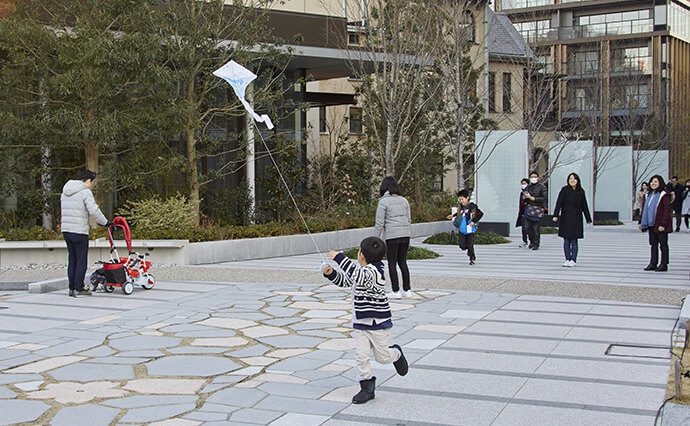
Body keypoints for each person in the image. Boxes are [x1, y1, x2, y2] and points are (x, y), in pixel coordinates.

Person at [321, 236, 408, 404]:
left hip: (379, 324)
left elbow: (357, 275)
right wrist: (331, 273)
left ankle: (396, 354)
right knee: (361, 356)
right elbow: (347, 280)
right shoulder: (362, 273)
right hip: (362, 324)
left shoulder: (375, 272)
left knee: (382, 357)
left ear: (361, 255)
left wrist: (339, 257)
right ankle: (366, 386)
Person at [61, 170, 110, 297]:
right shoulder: (85, 192)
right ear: (88, 180)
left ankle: (71, 288)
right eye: (91, 182)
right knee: (81, 260)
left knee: (72, 259)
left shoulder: (66, 191)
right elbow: (93, 210)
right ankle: (79, 287)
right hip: (79, 231)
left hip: (66, 230)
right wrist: (105, 222)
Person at [374, 176, 412, 299]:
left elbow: (379, 223)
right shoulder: (404, 201)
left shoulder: (383, 202)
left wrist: (375, 240)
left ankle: (395, 291)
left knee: (392, 263)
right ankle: (407, 290)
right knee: (403, 262)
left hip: (392, 235)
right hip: (405, 234)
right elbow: (409, 219)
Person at [551, 173, 592, 267]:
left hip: (577, 217)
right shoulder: (564, 190)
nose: (572, 180)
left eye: (574, 179)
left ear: (577, 180)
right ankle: (567, 259)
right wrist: (555, 215)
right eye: (570, 179)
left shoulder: (581, 191)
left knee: (574, 240)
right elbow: (559, 203)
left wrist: (588, 218)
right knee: (566, 240)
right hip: (566, 217)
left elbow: (584, 205)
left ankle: (573, 259)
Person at [639, 175, 672, 272]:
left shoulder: (664, 194)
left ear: (660, 183)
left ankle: (664, 264)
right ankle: (653, 263)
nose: (653, 183)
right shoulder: (648, 195)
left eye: (656, 182)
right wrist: (641, 221)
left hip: (660, 223)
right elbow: (644, 209)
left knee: (663, 244)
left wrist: (663, 224)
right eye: (652, 182)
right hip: (650, 223)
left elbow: (667, 210)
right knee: (653, 243)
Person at [447, 189, 483, 265]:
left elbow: (480, 214)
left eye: (462, 199)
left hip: (470, 230)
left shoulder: (472, 207)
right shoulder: (461, 207)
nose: (461, 201)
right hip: (462, 230)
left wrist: (474, 221)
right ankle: (469, 250)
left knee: (470, 245)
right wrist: (453, 216)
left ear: (467, 198)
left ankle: (472, 258)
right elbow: (459, 214)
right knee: (462, 246)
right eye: (460, 200)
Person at [522, 171, 547, 250]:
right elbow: (524, 198)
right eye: (532, 177)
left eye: (535, 177)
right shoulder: (528, 187)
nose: (533, 178)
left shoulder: (542, 187)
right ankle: (531, 241)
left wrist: (535, 199)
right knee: (527, 227)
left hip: (538, 209)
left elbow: (544, 198)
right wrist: (525, 198)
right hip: (529, 209)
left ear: (538, 178)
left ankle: (536, 243)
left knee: (536, 228)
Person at [516, 178, 529, 248]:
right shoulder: (522, 193)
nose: (523, 185)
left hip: (529, 212)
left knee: (529, 227)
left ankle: (532, 241)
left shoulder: (530, 192)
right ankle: (524, 241)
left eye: (524, 183)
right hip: (523, 212)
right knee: (524, 227)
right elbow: (521, 203)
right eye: (522, 184)